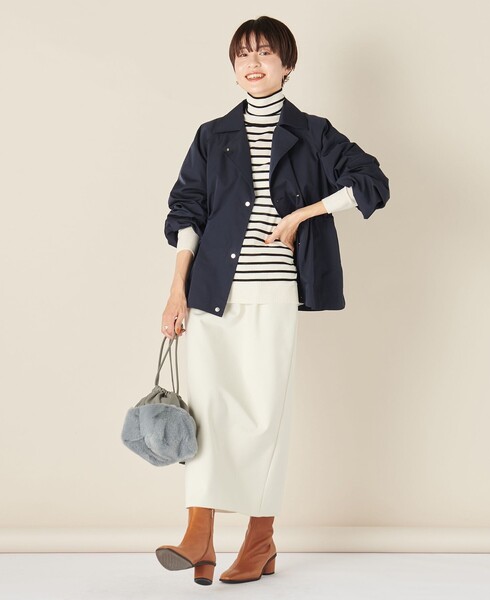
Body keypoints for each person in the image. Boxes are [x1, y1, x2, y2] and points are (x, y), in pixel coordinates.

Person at [155, 16, 390, 586]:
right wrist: (176, 289)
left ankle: (260, 540)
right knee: (208, 413)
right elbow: (187, 211)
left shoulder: (312, 132)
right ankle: (199, 535)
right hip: (210, 294)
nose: (253, 63)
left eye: (264, 53)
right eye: (243, 55)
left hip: (274, 292)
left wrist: (304, 214)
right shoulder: (211, 135)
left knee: (264, 417)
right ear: (233, 68)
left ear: (287, 64)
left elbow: (372, 183)